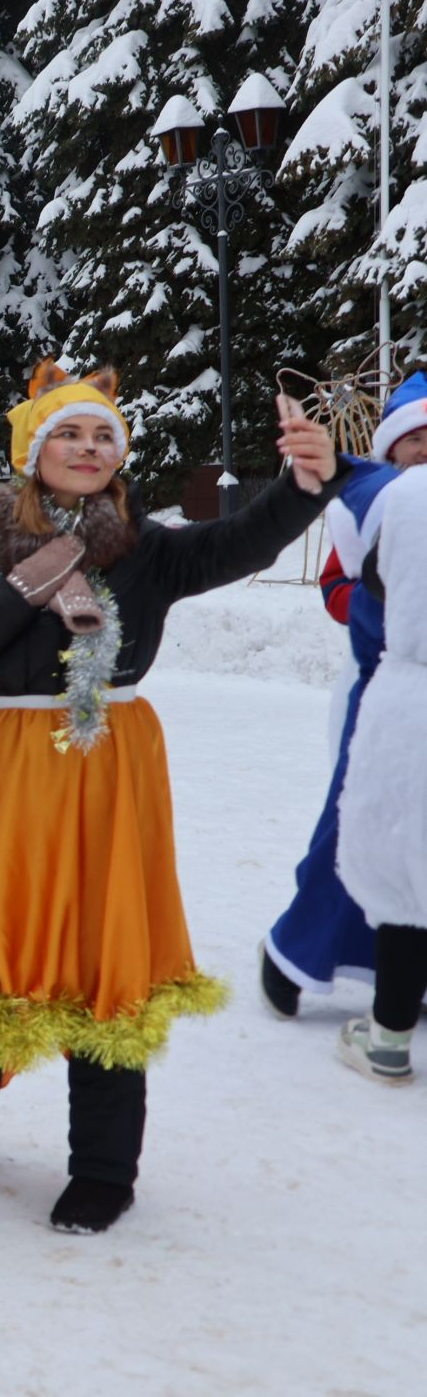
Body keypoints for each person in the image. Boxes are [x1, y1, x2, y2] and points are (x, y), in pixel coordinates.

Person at [0, 360, 343, 1234]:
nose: (88, 448)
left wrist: (302, 488)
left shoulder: (147, 546)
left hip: (103, 766)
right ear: (32, 451)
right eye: (70, 433)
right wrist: (33, 584)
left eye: (104, 436)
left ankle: (104, 1167)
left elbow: (234, 544)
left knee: (102, 949)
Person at [261, 372, 427, 1017]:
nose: (423, 449)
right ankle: (297, 955)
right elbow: (337, 588)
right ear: (392, 449)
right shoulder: (378, 500)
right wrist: (384, 602)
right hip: (383, 697)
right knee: (357, 831)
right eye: (412, 439)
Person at [336, 465, 427, 1081]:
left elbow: (370, 578)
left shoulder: (407, 493)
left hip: (411, 698)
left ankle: (389, 1039)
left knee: (404, 873)